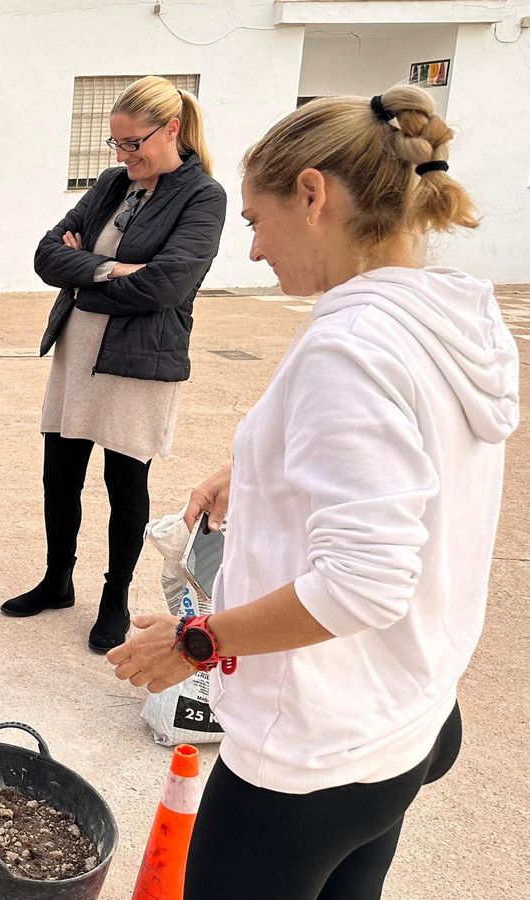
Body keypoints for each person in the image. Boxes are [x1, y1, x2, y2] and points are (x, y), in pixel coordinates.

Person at [109, 88, 518, 899]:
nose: (255, 253)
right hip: (403, 720)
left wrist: (195, 641)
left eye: (257, 221)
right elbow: (416, 468)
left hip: (313, 755)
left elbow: (361, 582)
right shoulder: (446, 317)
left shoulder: (353, 345)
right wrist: (258, 472)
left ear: (313, 193)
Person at [5, 76, 226, 654]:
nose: (125, 155)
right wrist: (114, 270)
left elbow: (168, 284)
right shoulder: (110, 183)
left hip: (139, 358)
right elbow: (46, 255)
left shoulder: (203, 196)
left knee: (126, 483)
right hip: (78, 349)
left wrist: (88, 270)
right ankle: (57, 581)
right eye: (118, 144)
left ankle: (114, 599)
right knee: (61, 473)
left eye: (134, 143)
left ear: (171, 129)